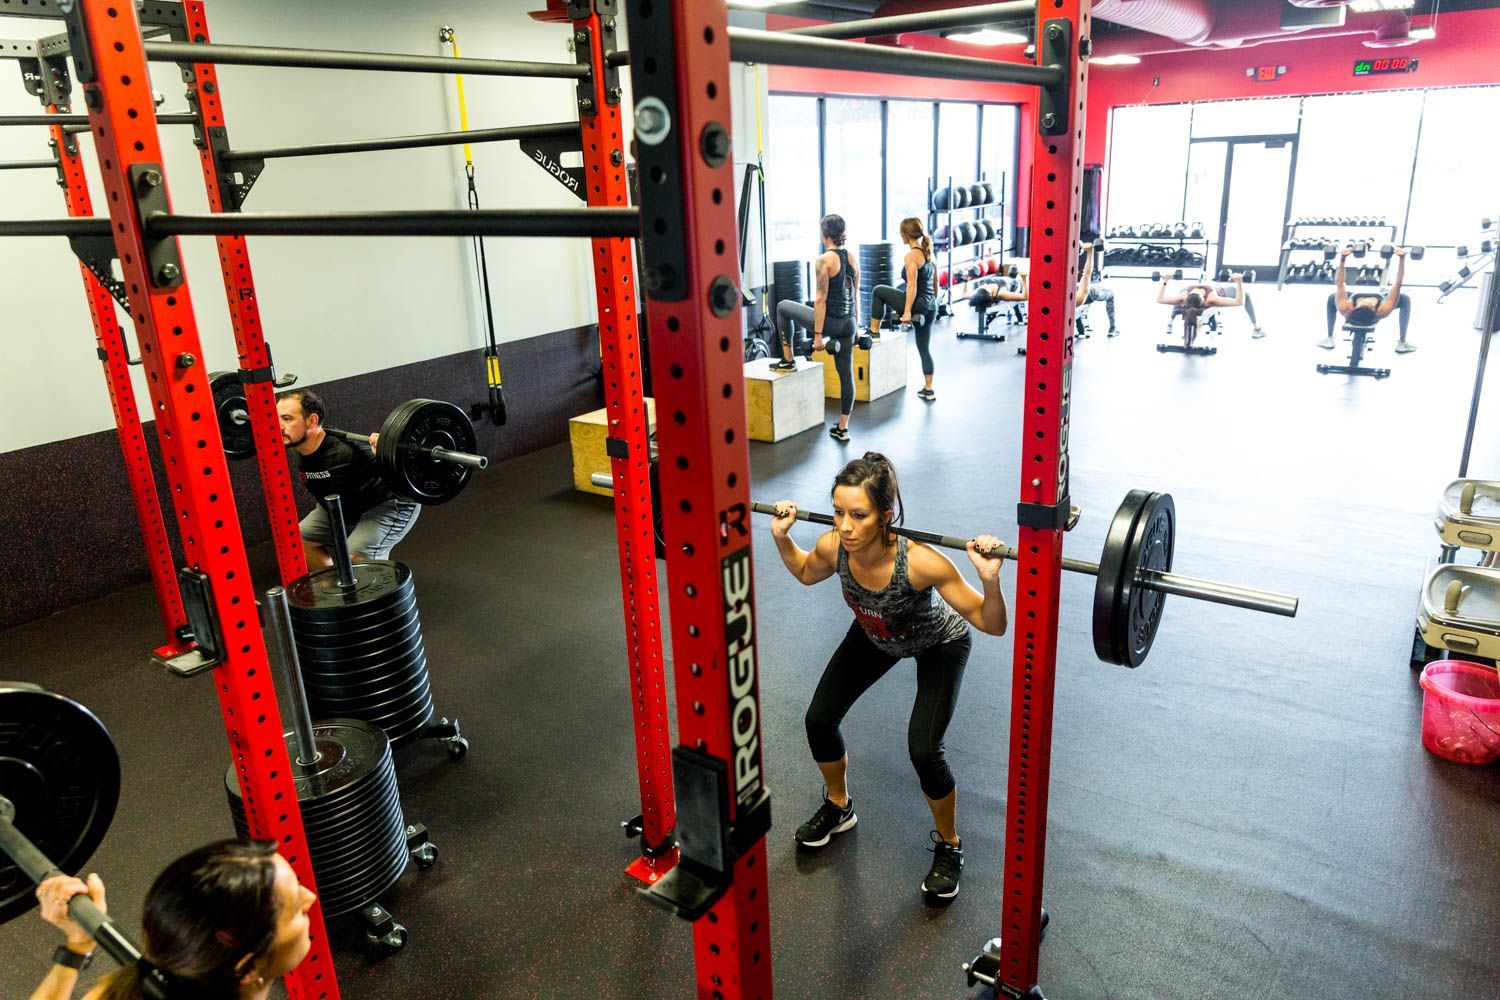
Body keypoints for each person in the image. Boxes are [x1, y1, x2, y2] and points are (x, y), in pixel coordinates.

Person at [769, 453, 1008, 903]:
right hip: (875, 633)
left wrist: (990, 580)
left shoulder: (921, 562)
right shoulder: (834, 546)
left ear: (886, 515)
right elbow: (804, 571)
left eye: (858, 515)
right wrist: (783, 538)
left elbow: (990, 623)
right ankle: (840, 807)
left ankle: (950, 846)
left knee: (923, 748)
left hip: (937, 643)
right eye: (839, 512)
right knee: (819, 719)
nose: (845, 526)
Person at [29, 839, 317, 1000]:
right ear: (247, 968)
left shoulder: (124, 991)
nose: (310, 898)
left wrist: (77, 946)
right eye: (294, 908)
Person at [277, 388, 419, 567]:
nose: (278, 425)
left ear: (312, 421)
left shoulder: (348, 452)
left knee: (356, 557)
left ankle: (376, 591)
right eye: (276, 418)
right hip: (340, 507)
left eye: (287, 419)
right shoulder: (300, 447)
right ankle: (333, 587)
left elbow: (407, 469)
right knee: (295, 541)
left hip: (388, 505)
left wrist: (387, 450)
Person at [769, 214, 861, 442]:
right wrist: (856, 327)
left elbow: (821, 300)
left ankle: (788, 360)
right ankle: (843, 427)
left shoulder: (824, 260)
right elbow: (855, 295)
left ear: (824, 235)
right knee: (845, 372)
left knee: (782, 307)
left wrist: (817, 335)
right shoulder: (852, 258)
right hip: (849, 323)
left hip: (830, 322)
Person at [868, 217, 939, 401]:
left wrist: (907, 311)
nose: (900, 236)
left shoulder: (911, 256)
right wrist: (933, 301)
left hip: (918, 304)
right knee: (924, 348)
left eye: (901, 233)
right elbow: (935, 283)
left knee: (878, 291)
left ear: (906, 235)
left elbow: (912, 286)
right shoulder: (930, 253)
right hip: (931, 306)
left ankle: (874, 331)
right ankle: (929, 389)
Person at [1321, 245, 1413, 352]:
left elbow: (1339, 282)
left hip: (1356, 302)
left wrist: (1342, 259)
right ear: (1374, 310)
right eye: (1368, 304)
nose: (1367, 300)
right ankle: (1402, 342)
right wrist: (1402, 259)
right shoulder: (1383, 310)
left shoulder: (1346, 308)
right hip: (1380, 301)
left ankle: (1329, 337)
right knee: (1405, 299)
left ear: (1354, 307)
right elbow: (1398, 283)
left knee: (1333, 297)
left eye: (1364, 302)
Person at [1156, 270, 1264, 340]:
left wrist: (1165, 281)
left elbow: (1159, 299)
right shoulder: (1211, 300)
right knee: (1247, 295)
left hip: (1198, 293)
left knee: (1177, 300)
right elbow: (1239, 302)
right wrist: (1239, 282)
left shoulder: (1184, 297)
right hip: (1215, 289)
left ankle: (1170, 322)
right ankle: (1257, 328)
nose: (1197, 290)